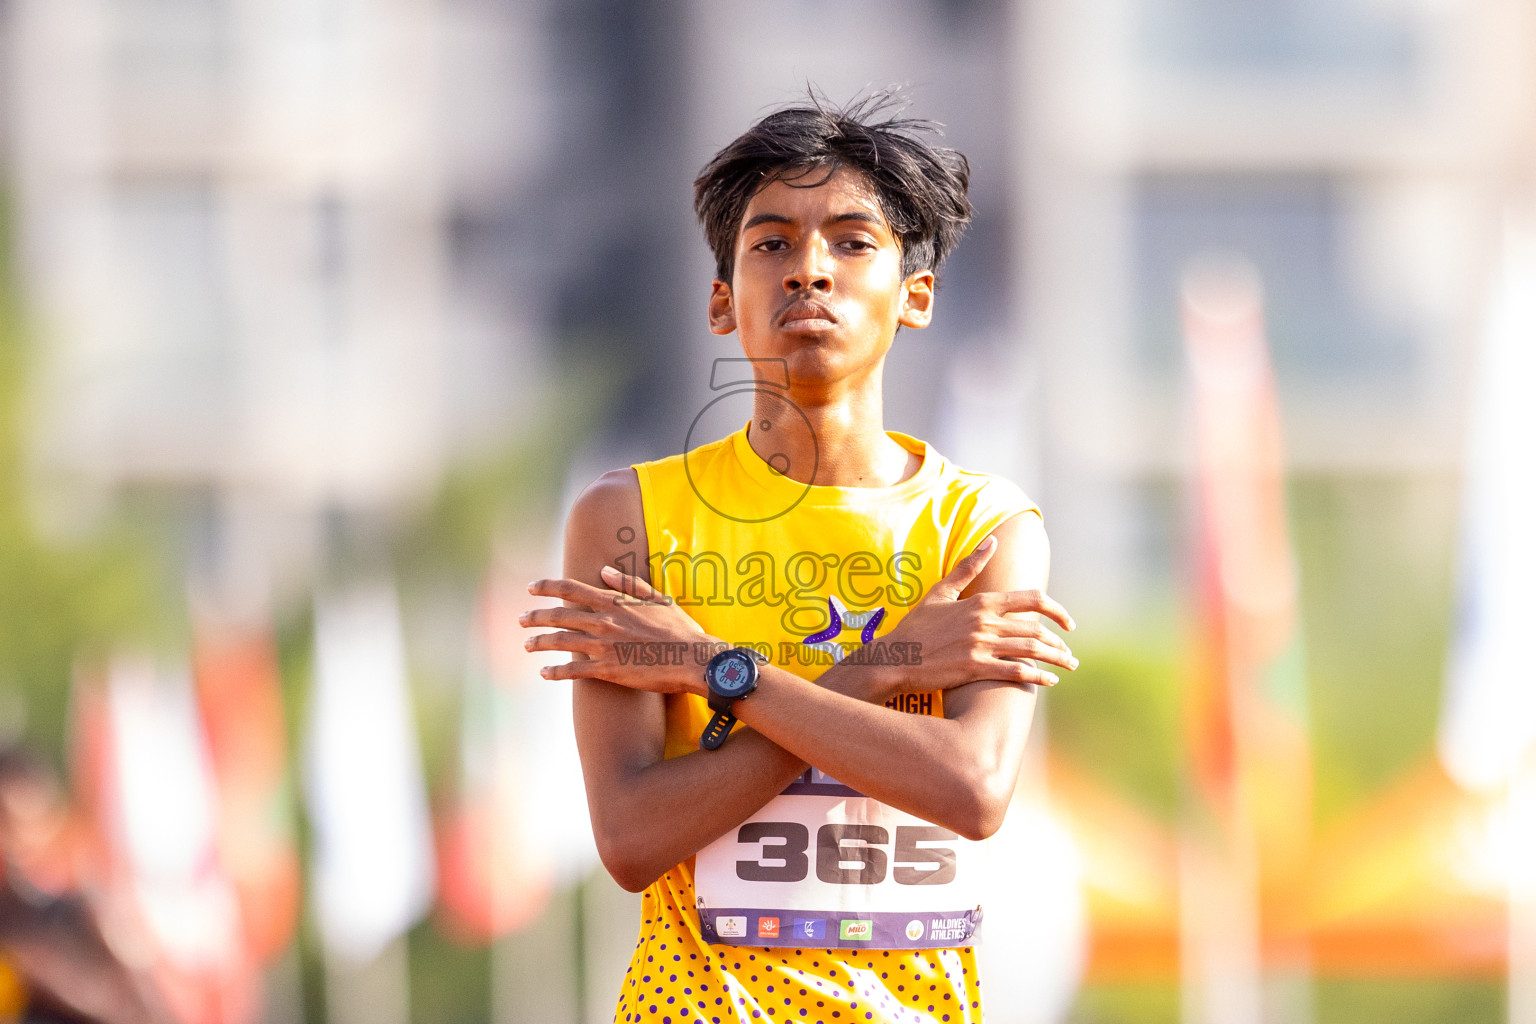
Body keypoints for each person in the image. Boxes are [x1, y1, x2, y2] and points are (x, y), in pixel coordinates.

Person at [521, 93, 1078, 1024]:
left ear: (918, 294)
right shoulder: (632, 518)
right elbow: (631, 838)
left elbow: (971, 790)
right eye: (770, 244)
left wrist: (710, 668)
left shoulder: (982, 528)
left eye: (853, 243)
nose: (808, 271)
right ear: (719, 298)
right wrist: (882, 667)